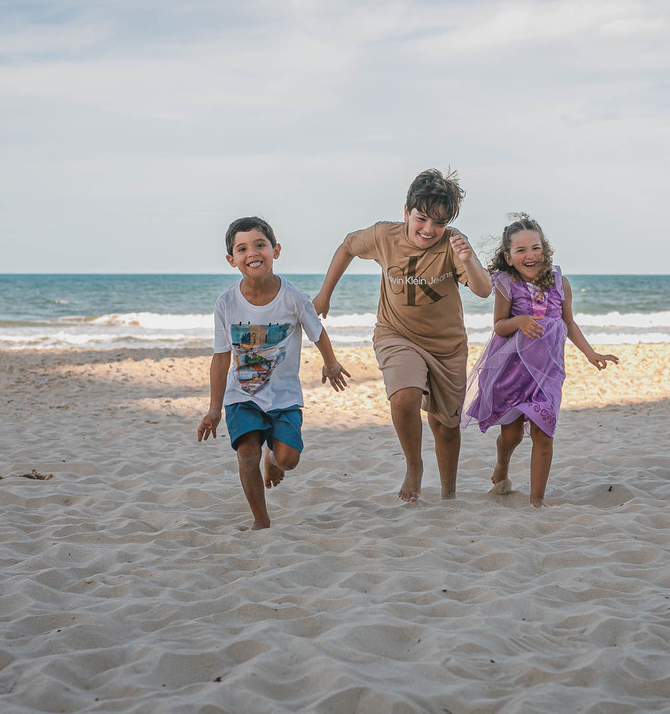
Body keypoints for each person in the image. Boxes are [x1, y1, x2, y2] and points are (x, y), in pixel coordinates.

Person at [312, 169, 491, 502]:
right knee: (404, 398)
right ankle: (414, 467)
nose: (428, 230)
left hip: (446, 348)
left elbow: (483, 290)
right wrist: (325, 295)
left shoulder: (453, 244)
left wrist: (469, 260)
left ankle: (448, 493)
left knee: (446, 425)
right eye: (421, 219)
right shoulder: (384, 236)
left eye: (439, 223)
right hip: (396, 334)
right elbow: (347, 247)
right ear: (406, 212)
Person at [198, 216, 350, 530]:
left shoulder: (293, 298)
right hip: (242, 395)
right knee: (246, 452)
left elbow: (317, 332)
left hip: (284, 396)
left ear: (275, 250)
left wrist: (331, 363)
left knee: (289, 459)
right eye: (242, 248)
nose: (252, 253)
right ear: (232, 260)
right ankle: (261, 520)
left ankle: (274, 459)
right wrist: (214, 408)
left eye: (260, 245)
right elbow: (220, 357)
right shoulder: (226, 303)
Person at [462, 214, 618, 507]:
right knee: (511, 436)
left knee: (543, 434)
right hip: (512, 372)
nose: (530, 255)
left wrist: (590, 352)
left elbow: (568, 323)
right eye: (521, 251)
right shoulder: (508, 284)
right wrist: (519, 320)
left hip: (547, 374)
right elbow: (499, 326)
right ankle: (502, 466)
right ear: (508, 257)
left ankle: (536, 501)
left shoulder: (561, 282)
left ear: (544, 250)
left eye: (535, 248)